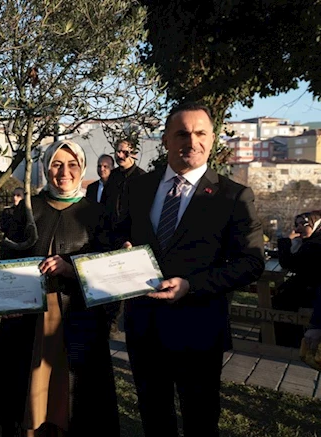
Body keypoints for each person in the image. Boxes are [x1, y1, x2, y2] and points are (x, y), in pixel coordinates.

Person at [113, 102, 265, 437]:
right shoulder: (138, 187)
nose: (191, 141)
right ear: (165, 139)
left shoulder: (234, 196)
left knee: (201, 421)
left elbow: (252, 262)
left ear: (212, 139)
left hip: (199, 329)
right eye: (182, 133)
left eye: (200, 133)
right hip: (144, 326)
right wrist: (122, 247)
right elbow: (119, 232)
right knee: (154, 418)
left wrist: (191, 285)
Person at [0, 140, 119, 436]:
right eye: (56, 164)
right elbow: (8, 259)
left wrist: (71, 268)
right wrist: (3, 301)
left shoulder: (97, 214)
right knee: (28, 387)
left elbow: (109, 268)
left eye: (72, 165)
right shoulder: (28, 210)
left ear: (82, 168)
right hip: (29, 321)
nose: (64, 172)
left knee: (73, 394)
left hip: (79, 321)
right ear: (46, 167)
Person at [273, 211, 321, 347]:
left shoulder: (315, 245)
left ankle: (281, 343)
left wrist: (286, 240)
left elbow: (289, 263)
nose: (297, 229)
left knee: (280, 302)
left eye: (303, 224)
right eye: (296, 224)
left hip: (311, 294)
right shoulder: (312, 241)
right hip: (309, 290)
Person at [101, 139, 146, 221]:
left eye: (125, 152)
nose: (120, 155)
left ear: (133, 154)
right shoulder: (113, 175)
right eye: (118, 151)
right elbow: (104, 203)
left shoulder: (142, 177)